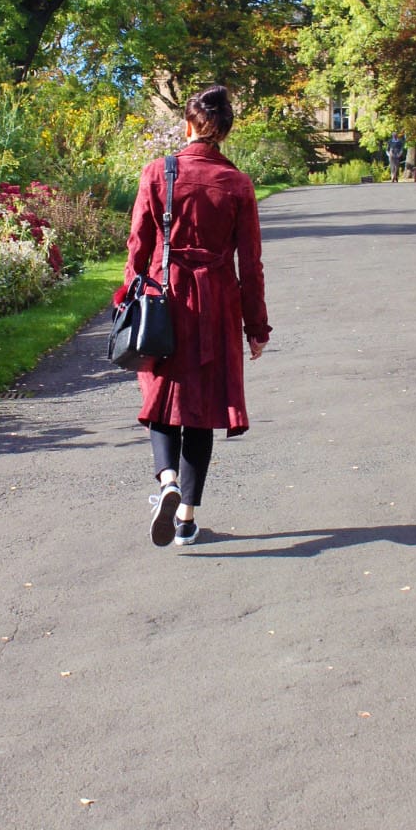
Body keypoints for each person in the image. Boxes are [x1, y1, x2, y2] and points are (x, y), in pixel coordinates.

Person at [117, 86, 271, 548]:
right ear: (224, 131)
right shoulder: (238, 184)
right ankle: (184, 518)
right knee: (200, 411)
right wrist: (256, 328)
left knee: (164, 398)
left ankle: (166, 480)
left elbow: (138, 246)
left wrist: (127, 298)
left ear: (188, 125)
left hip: (167, 302)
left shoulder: (157, 172)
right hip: (217, 306)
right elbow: (252, 264)